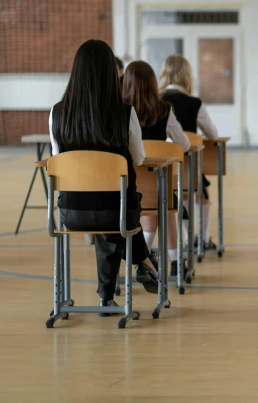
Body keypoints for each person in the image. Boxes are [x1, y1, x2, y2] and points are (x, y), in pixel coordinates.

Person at [49, 40, 159, 314]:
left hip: (71, 212)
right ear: (113, 73)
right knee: (115, 220)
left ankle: (108, 296)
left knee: (106, 229)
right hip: (118, 211)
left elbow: (57, 159)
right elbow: (138, 159)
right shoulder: (125, 113)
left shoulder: (57, 113)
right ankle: (143, 259)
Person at [123, 61, 191, 278]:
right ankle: (176, 262)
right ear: (154, 83)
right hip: (157, 185)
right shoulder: (164, 110)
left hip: (127, 187)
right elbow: (185, 145)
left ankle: (143, 261)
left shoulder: (119, 111)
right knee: (166, 208)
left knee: (148, 211)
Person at [158, 55, 219, 250]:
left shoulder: (155, 101)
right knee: (201, 191)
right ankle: (200, 239)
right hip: (186, 168)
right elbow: (213, 134)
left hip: (158, 168)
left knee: (180, 191)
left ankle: (185, 238)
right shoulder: (194, 103)